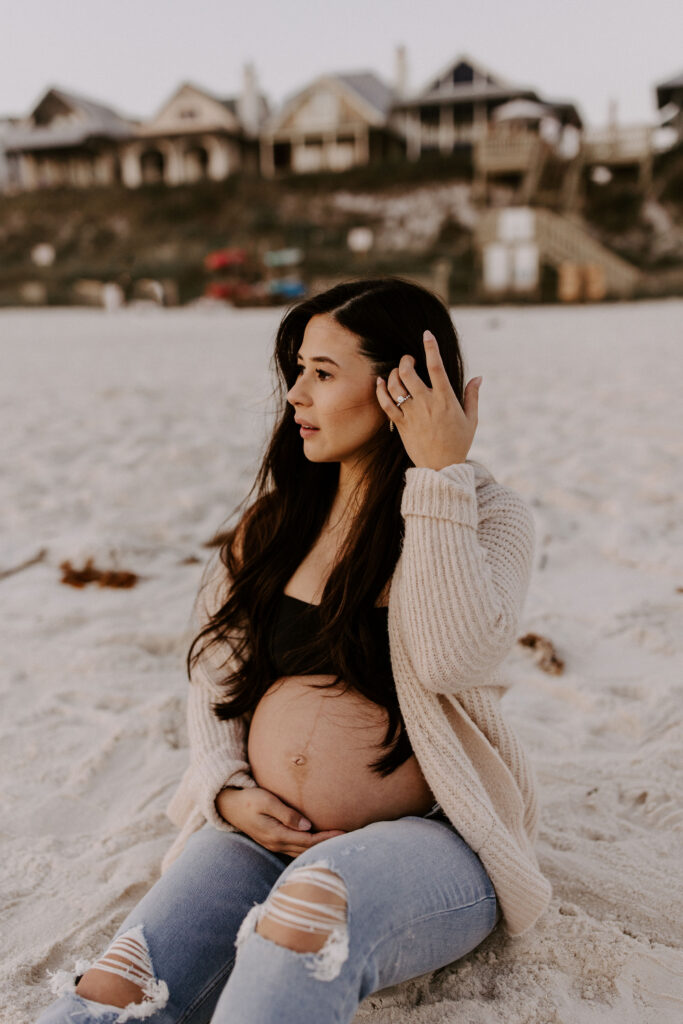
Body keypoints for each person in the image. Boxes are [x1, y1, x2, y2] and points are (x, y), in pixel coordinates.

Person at [36, 277, 552, 1024]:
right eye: (295, 371)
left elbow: (452, 659)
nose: (295, 396)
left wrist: (438, 475)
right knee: (121, 981)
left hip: (432, 844)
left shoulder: (486, 516)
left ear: (400, 385)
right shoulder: (275, 524)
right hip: (258, 834)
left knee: (306, 920)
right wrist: (227, 789)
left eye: (321, 373)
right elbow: (215, 678)